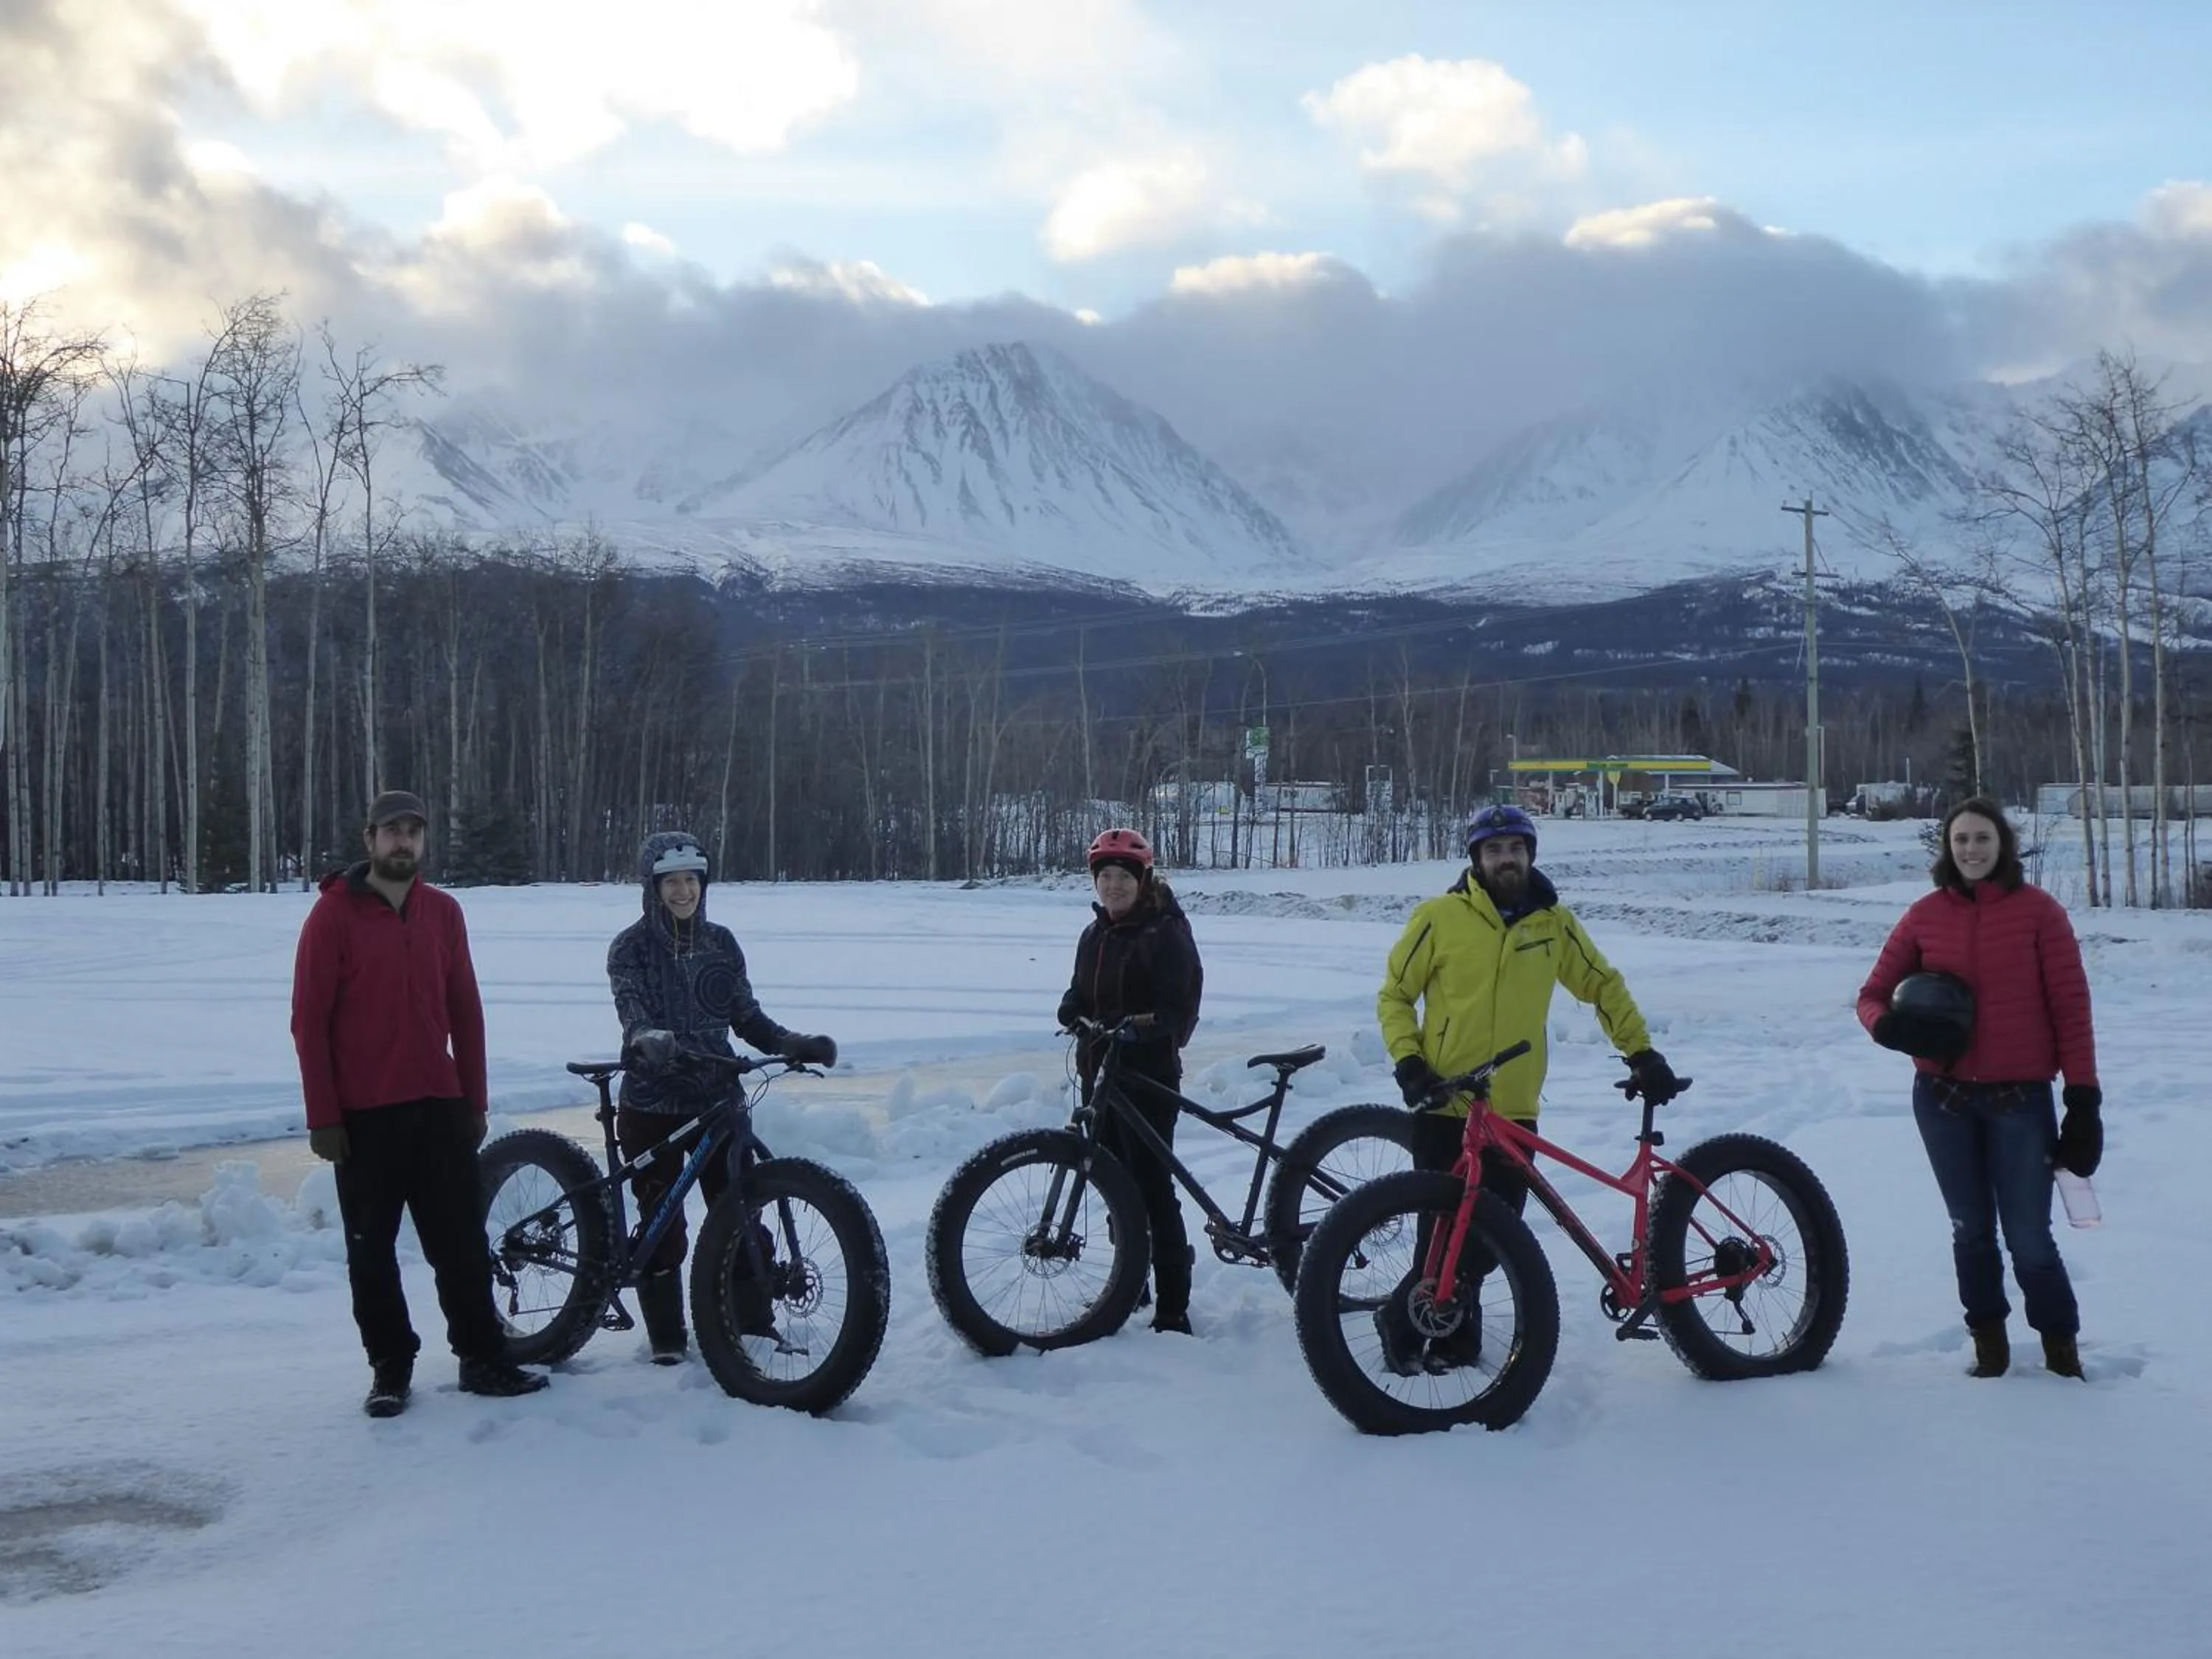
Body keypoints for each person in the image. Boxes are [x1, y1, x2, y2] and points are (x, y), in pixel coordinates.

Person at [1375, 802, 1680, 1375]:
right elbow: (1395, 994)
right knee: (1439, 1231)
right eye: (1493, 851)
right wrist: (1410, 1063)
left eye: (1515, 849)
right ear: (1476, 858)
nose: (1505, 859)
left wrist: (1640, 1051)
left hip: (1513, 1106)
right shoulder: (1439, 917)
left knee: (1493, 1236)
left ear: (1530, 854)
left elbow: (1602, 986)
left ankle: (1453, 1335)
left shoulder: (1553, 923)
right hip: (1447, 1100)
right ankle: (1414, 1330)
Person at [293, 789, 549, 1417]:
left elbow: (466, 1008)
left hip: (439, 1104)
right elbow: (309, 1022)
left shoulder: (443, 913)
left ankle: (482, 1358)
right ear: (369, 839)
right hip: (365, 1116)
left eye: (413, 831)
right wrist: (325, 1117)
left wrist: (475, 1099)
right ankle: (390, 1367)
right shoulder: (332, 918)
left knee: (460, 1243)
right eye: (391, 831)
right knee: (371, 1251)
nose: (402, 841)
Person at [1857, 796, 2100, 1380]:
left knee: (2028, 1236)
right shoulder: (1923, 916)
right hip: (1943, 1101)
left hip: (2021, 1100)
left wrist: (2083, 1101)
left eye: (1982, 839)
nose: (1971, 849)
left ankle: (2059, 1345)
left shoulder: (2040, 913)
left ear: (2003, 845)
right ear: (1948, 846)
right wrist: (1889, 1027)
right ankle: (1989, 1342)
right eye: (1961, 839)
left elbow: (2071, 1009)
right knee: (1970, 1229)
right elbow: (1871, 995)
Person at [607, 831, 839, 1365]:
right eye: (672, 883)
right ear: (653, 887)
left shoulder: (722, 944)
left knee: (740, 1213)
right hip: (651, 1102)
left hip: (717, 1097)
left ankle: (752, 1325)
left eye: (692, 880)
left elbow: (745, 1016)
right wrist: (647, 1038)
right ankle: (666, 1336)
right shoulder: (630, 948)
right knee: (662, 1220)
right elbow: (632, 1011)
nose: (683, 891)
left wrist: (788, 1043)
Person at [1054, 827, 1205, 1335]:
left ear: (1143, 880)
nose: (1114, 886)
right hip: (1099, 1075)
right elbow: (1081, 991)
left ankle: (1173, 1307)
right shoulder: (1096, 934)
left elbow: (1180, 1009)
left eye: (1124, 877)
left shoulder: (1166, 933)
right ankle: (1130, 1288)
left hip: (1148, 1080)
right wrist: (1072, 1007)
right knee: (1115, 1187)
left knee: (1153, 1189)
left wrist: (1143, 1029)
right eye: (1105, 877)